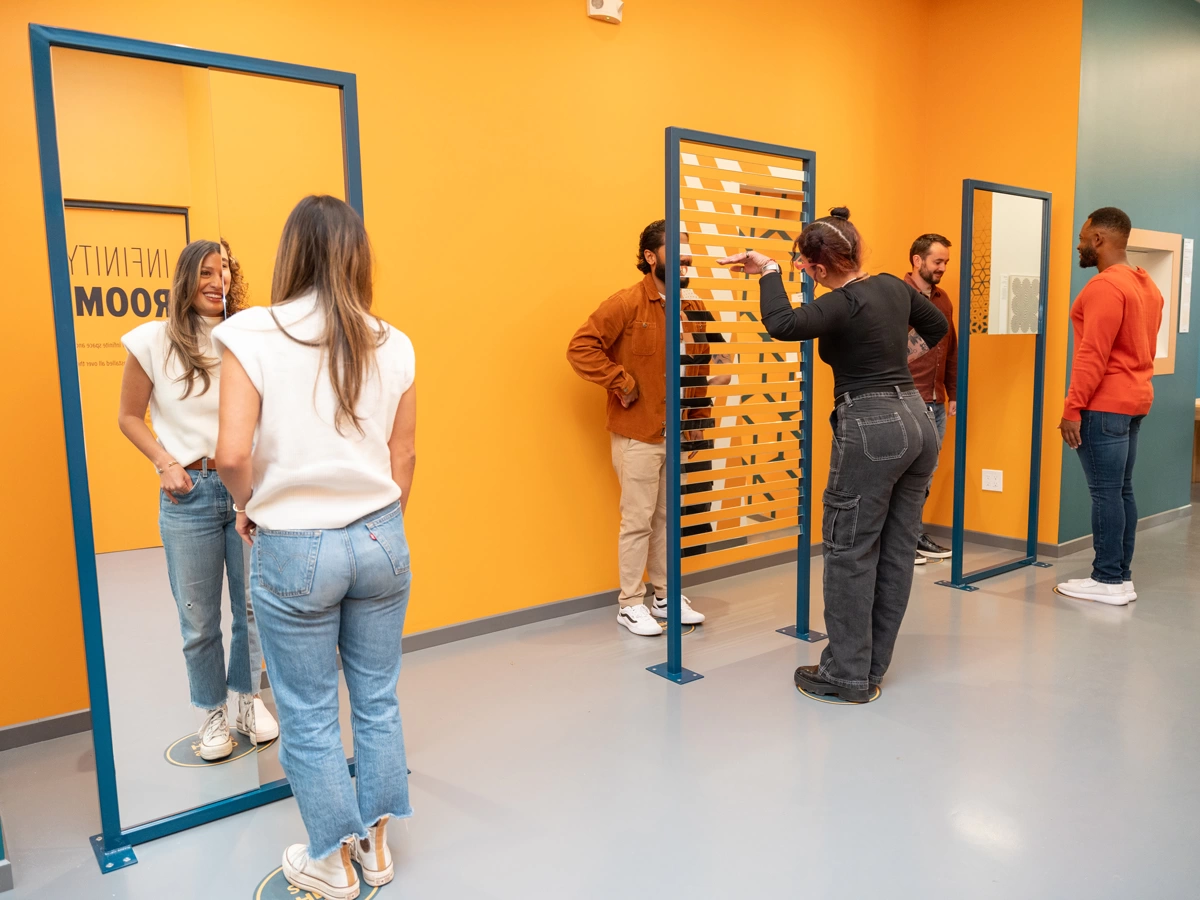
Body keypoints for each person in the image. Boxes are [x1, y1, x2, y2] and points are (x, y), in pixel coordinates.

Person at [214, 195, 417, 900]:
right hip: (380, 535)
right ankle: (380, 850)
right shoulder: (392, 340)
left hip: (295, 545)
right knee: (378, 699)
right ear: (357, 255)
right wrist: (376, 525)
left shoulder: (251, 331)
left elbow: (230, 452)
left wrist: (248, 507)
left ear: (290, 252)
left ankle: (330, 859)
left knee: (305, 709)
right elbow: (404, 454)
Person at [719, 207, 947, 703]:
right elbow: (938, 326)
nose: (806, 274)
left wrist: (770, 272)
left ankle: (845, 675)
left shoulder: (843, 303)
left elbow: (781, 323)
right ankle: (869, 667)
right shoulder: (892, 285)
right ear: (857, 251)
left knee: (849, 551)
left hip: (873, 425)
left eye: (806, 267)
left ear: (820, 269)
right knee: (895, 551)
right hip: (915, 415)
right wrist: (891, 358)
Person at [117, 239, 278, 760]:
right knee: (199, 618)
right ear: (187, 278)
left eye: (225, 271)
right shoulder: (151, 341)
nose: (217, 281)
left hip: (246, 489)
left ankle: (246, 699)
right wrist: (164, 462)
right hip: (187, 493)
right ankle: (211, 713)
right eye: (206, 272)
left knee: (252, 608)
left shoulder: (247, 335)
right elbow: (127, 417)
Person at [566, 219, 725, 635]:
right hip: (638, 434)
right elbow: (580, 347)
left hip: (678, 433)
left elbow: (700, 370)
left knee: (667, 519)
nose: (685, 256)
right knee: (638, 521)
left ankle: (665, 596)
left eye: (687, 249)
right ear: (651, 257)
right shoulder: (626, 303)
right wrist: (622, 381)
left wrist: (696, 427)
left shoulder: (692, 307)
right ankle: (629, 603)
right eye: (676, 249)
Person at [1056, 207, 1163, 607]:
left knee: (1105, 493)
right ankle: (1120, 577)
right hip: (1134, 401)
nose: (1080, 244)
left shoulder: (1104, 287)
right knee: (1121, 491)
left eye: (1084, 237)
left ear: (1099, 239)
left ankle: (1107, 579)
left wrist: (1072, 408)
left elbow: (1092, 355)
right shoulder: (1146, 285)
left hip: (1103, 406)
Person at [904, 234, 958, 565]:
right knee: (907, 472)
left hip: (936, 400)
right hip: (909, 398)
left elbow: (951, 349)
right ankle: (901, 539)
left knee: (926, 471)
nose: (942, 268)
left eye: (945, 263)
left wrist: (952, 393)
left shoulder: (943, 299)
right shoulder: (898, 296)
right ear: (917, 260)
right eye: (938, 262)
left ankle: (910, 534)